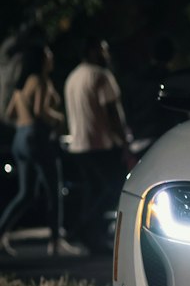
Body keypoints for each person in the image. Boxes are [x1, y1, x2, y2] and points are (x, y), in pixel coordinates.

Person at [63, 35, 131, 255]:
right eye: (103, 50)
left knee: (92, 192)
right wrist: (124, 141)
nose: (107, 55)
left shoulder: (72, 77)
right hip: (100, 144)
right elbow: (113, 113)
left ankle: (91, 237)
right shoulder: (102, 76)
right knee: (110, 190)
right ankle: (86, 230)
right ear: (93, 51)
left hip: (78, 144)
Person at [0, 43, 66, 256]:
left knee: (25, 193)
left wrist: (24, 125)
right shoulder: (40, 80)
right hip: (36, 137)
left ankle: (1, 233)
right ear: (40, 60)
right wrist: (58, 119)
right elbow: (40, 110)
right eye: (48, 54)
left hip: (20, 138)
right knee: (54, 189)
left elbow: (9, 115)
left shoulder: (21, 86)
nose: (52, 57)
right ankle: (56, 242)